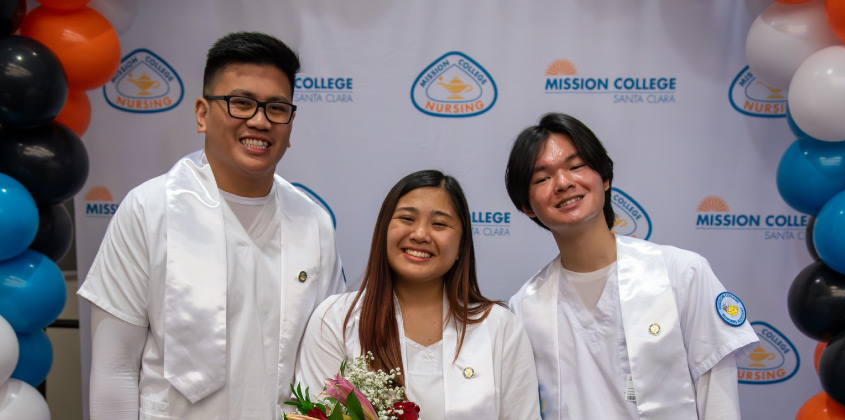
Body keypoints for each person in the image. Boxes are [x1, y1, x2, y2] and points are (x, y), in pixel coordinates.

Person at [78, 32, 345, 420]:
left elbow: (328, 360)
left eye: (276, 108)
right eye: (241, 103)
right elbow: (114, 368)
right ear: (202, 113)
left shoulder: (314, 223)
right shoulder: (150, 209)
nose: (259, 120)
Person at [505, 113, 759, 420]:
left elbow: (719, 399)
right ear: (526, 207)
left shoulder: (681, 273)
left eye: (576, 167)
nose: (563, 183)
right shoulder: (526, 306)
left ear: (605, 176)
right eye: (542, 178)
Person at [296, 170, 541, 420]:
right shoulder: (336, 320)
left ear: (461, 245)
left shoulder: (499, 327)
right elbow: (315, 413)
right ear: (383, 230)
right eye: (407, 218)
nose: (420, 234)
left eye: (439, 224)